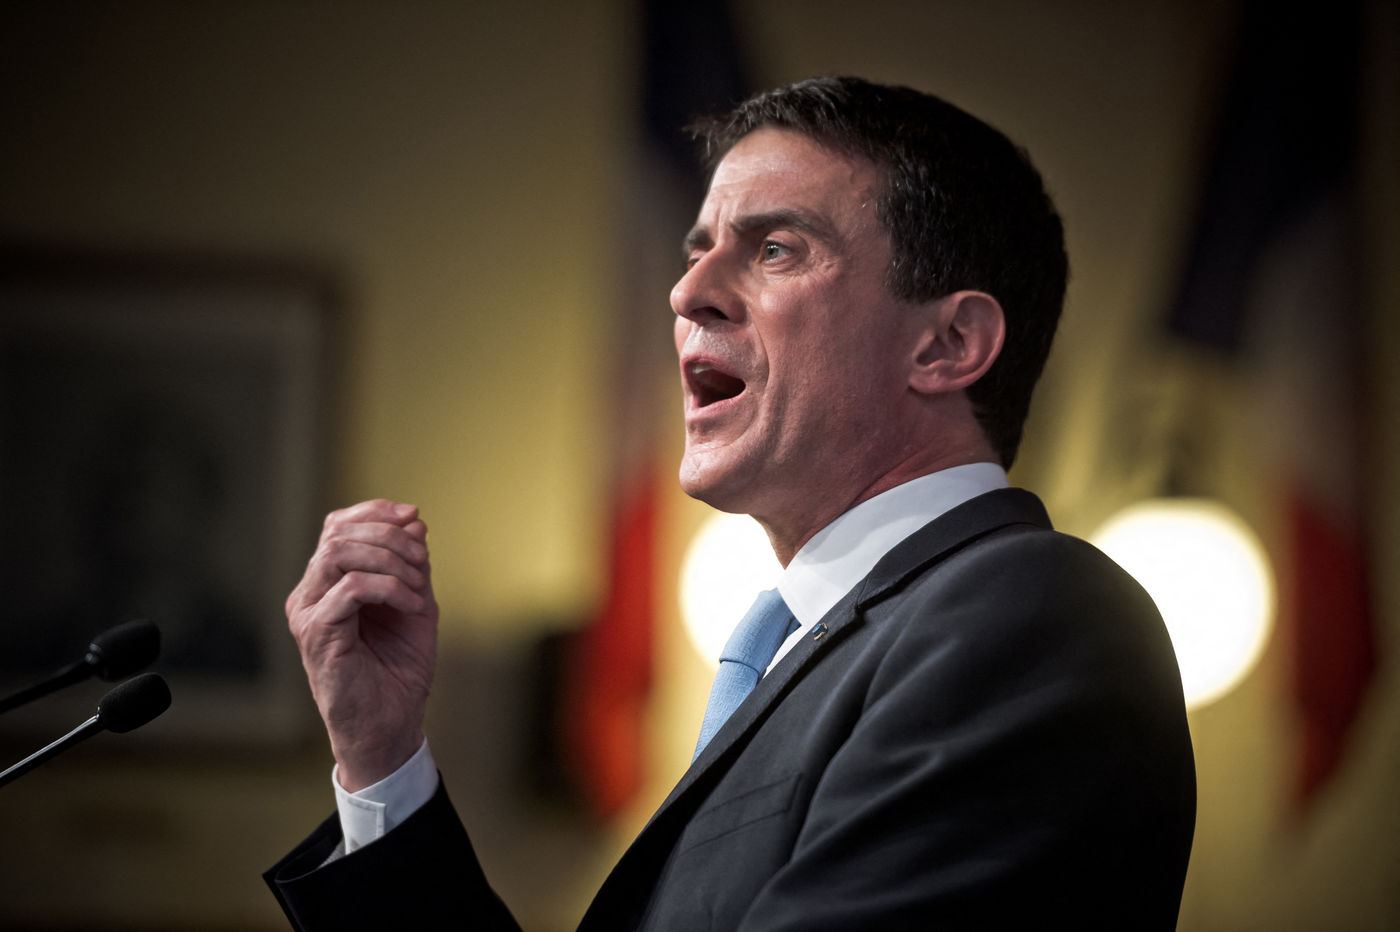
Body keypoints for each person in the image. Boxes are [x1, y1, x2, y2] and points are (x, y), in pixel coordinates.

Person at [265, 76, 1196, 930]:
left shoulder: (1029, 616)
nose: (686, 293)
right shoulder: (827, 640)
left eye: (776, 249)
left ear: (948, 344)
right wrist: (382, 759)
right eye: (699, 250)